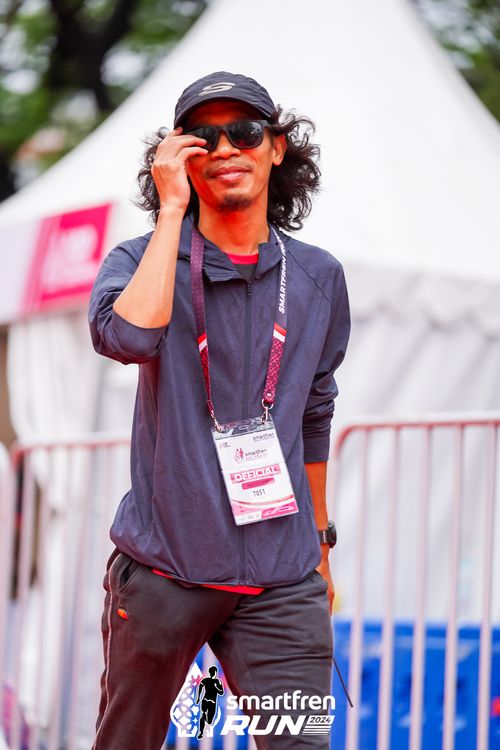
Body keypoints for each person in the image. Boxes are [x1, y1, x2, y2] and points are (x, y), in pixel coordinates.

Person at [88, 71, 350, 749]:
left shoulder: (318, 275)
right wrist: (171, 209)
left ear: (277, 147)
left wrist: (320, 547)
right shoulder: (140, 259)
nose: (226, 147)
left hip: (283, 579)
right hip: (164, 573)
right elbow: (128, 339)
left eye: (245, 132)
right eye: (204, 138)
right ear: (178, 155)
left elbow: (315, 411)